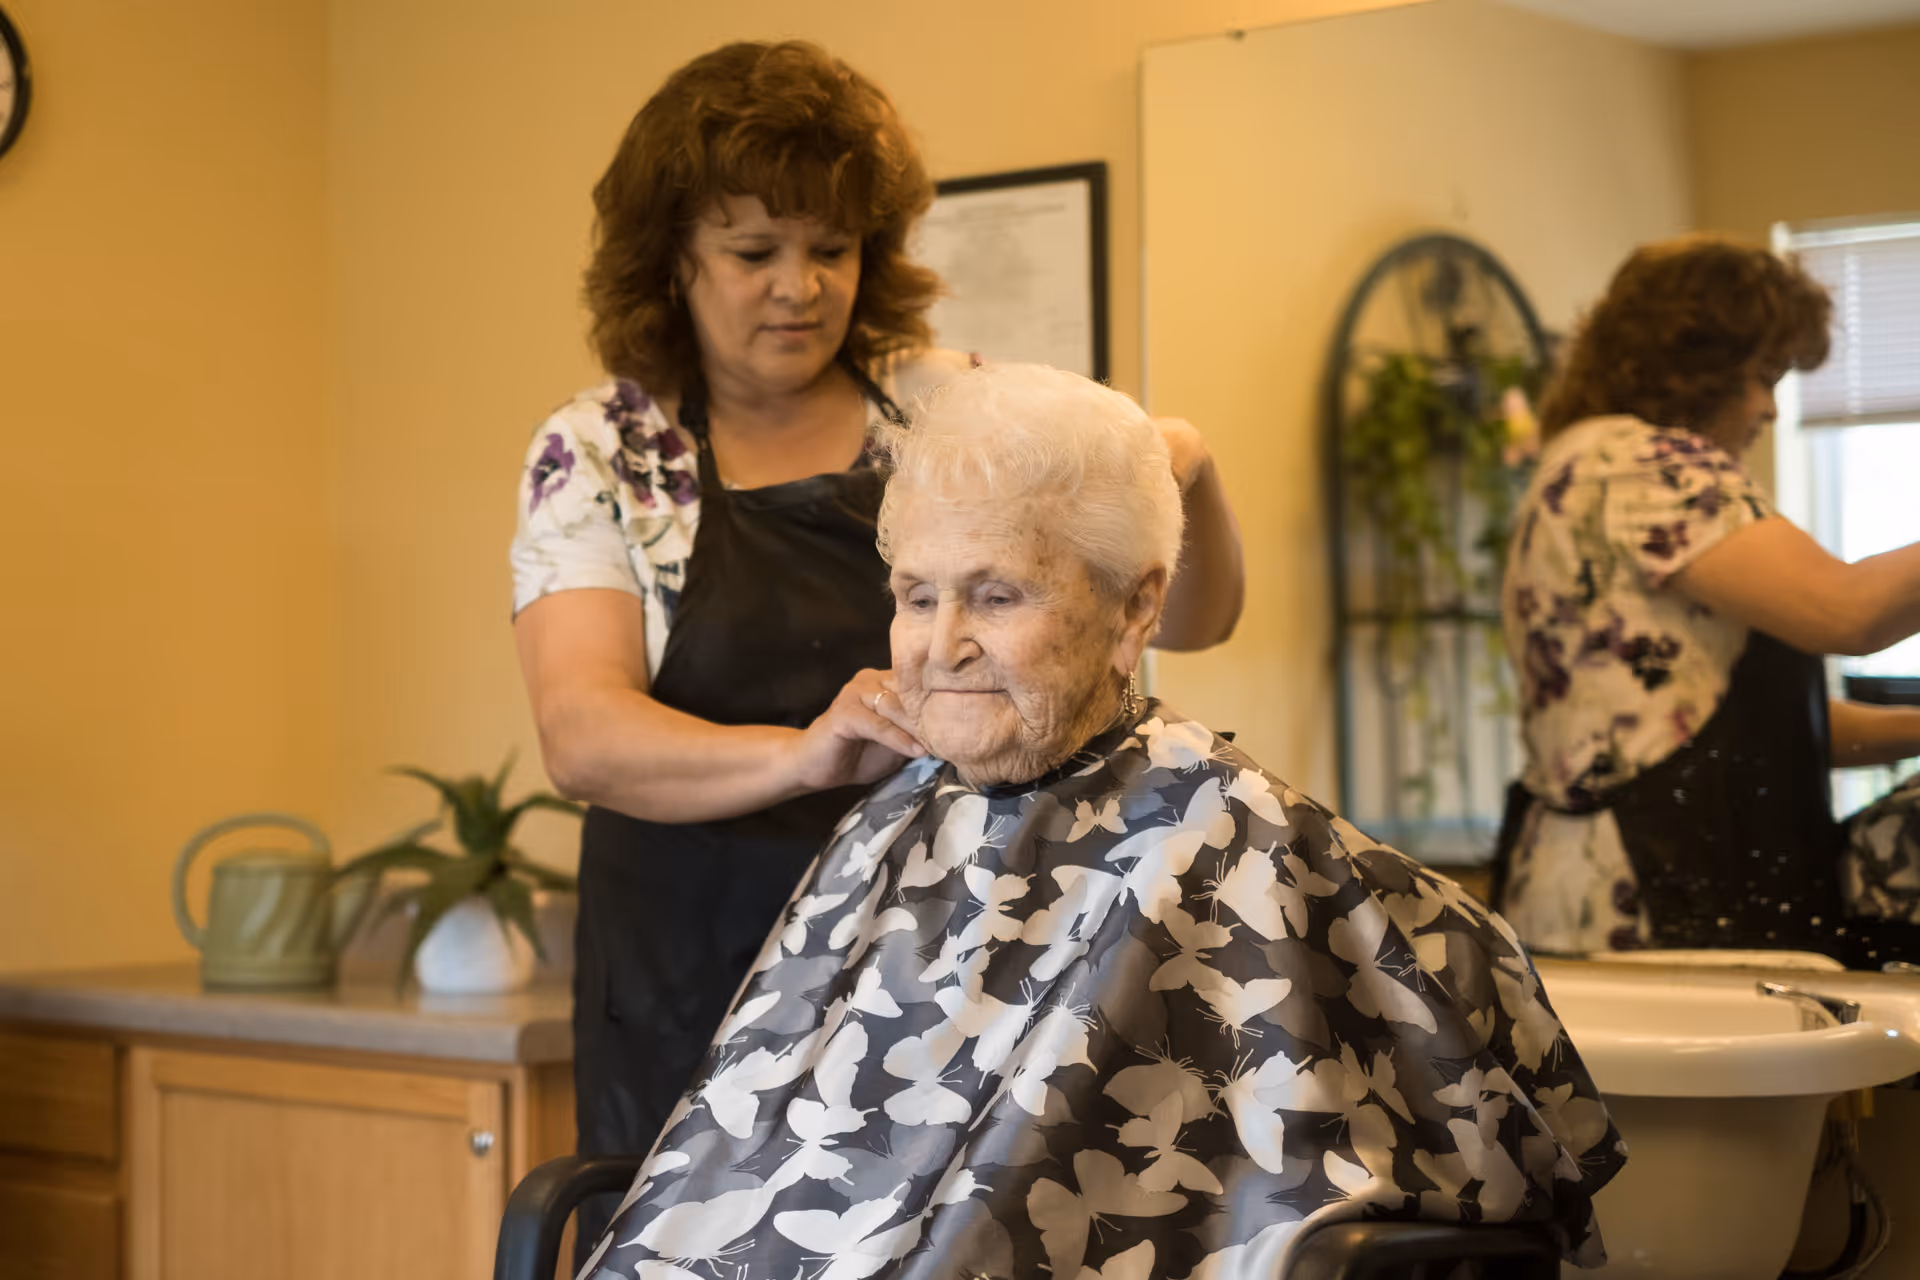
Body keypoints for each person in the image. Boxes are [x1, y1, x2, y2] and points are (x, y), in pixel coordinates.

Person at [577, 364, 1625, 1280]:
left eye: (996, 595)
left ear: (1134, 610)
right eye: (914, 593)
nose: (943, 643)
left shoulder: (1225, 833)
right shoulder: (890, 819)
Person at [508, 41, 1246, 1258]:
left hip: (942, 960)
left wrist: (1191, 468)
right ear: (674, 259)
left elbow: (1196, 617)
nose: (799, 287)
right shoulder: (607, 449)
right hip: (695, 967)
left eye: (831, 249)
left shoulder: (941, 408)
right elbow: (583, 734)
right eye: (754, 253)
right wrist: (805, 756)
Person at [1492, 235, 1920, 964]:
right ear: (1694, 368)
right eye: (1761, 376)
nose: (1769, 410)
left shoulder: (1582, 463)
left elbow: (1738, 723)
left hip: (1580, 887)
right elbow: (1846, 610)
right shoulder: (1640, 467)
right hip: (1657, 894)